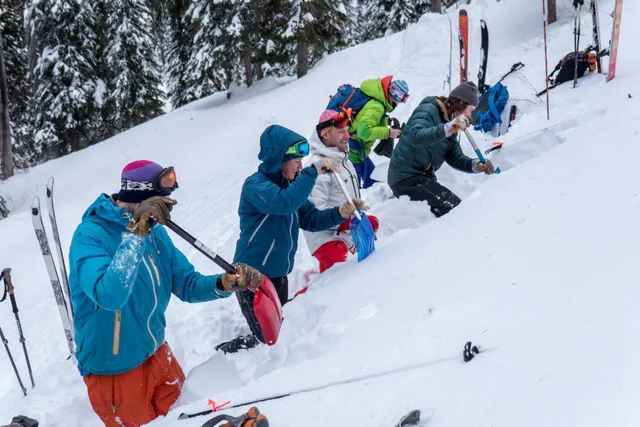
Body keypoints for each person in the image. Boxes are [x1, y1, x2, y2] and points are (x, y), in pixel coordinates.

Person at [68, 160, 263, 427]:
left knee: (188, 418)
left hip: (158, 356)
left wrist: (223, 283)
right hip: (115, 372)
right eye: (162, 203)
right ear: (140, 195)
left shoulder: (156, 233)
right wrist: (136, 234)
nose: (166, 211)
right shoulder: (90, 236)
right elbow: (109, 295)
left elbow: (187, 283)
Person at [215, 125, 366, 354]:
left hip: (279, 276)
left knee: (281, 333)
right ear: (278, 159)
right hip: (252, 277)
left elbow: (311, 219)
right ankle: (227, 355)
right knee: (267, 343)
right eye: (295, 160)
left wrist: (340, 212)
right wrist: (313, 171)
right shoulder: (256, 186)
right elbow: (286, 203)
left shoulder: (289, 188)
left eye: (301, 160)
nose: (299, 165)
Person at [387, 82, 495, 218]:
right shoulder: (429, 109)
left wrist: (475, 165)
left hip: (423, 178)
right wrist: (449, 127)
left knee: (455, 208)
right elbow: (415, 137)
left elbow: (454, 156)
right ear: (461, 103)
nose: (470, 114)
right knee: (454, 209)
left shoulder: (451, 122)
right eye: (471, 109)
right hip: (404, 177)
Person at [304, 110, 379, 273]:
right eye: (340, 132)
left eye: (347, 130)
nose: (347, 136)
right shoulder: (318, 167)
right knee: (340, 270)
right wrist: (343, 219)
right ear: (325, 135)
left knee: (373, 223)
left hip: (346, 229)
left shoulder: (343, 159)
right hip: (325, 238)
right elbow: (314, 214)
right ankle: (307, 294)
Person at [349, 76, 409, 189]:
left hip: (358, 152)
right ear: (396, 95)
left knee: (373, 183)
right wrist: (388, 132)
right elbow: (364, 132)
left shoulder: (378, 103)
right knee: (353, 192)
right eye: (403, 98)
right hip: (352, 153)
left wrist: (386, 122)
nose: (401, 102)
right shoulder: (377, 107)